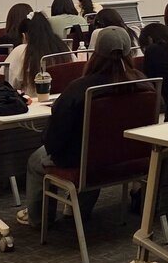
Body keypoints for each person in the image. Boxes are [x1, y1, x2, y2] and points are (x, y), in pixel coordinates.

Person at [17, 28, 151, 226]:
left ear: (95, 54)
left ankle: (39, 219)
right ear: (130, 53)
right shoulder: (144, 83)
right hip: (130, 159)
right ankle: (78, 212)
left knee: (37, 160)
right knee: (94, 150)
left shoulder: (79, 89)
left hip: (88, 163)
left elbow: (54, 140)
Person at [6, 12, 68, 94]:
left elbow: (4, 80)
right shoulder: (63, 47)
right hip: (62, 100)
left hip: (33, 104)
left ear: (24, 36)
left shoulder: (21, 51)